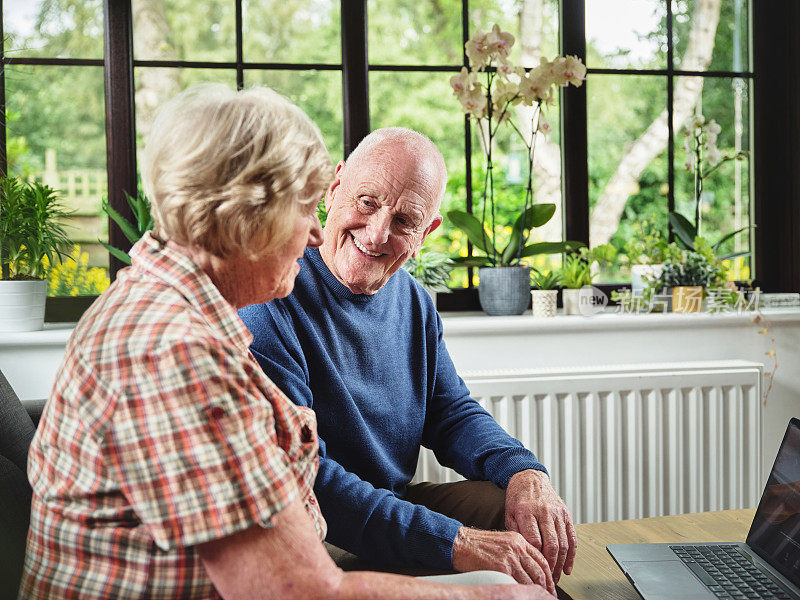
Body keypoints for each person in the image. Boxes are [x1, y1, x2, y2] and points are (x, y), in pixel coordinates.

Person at [18, 87, 552, 600]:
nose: (316, 234)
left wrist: (520, 472)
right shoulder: (173, 351)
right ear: (245, 217)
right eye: (304, 209)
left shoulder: (186, 317)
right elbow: (295, 588)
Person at [238, 127, 577, 586]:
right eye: (368, 202)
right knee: (486, 549)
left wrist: (525, 471)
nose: (377, 234)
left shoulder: (414, 302)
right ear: (335, 188)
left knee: (521, 514)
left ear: (426, 232)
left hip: (389, 503)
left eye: (404, 221)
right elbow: (307, 480)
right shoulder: (271, 295)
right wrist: (455, 543)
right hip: (319, 527)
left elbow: (451, 412)